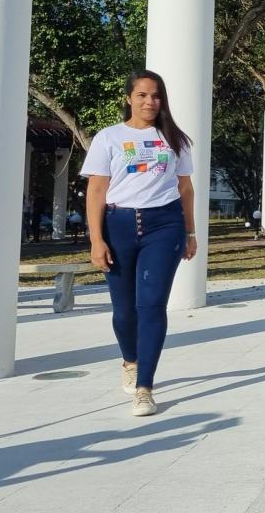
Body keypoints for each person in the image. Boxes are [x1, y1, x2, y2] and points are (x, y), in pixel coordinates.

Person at [81, 70, 197, 417]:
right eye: (143, 95)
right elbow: (97, 191)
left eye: (156, 96)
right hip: (118, 226)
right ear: (129, 98)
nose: (150, 102)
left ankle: (145, 387)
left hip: (165, 226)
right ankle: (130, 360)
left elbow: (185, 189)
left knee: (152, 305)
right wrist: (96, 239)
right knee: (124, 310)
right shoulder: (109, 138)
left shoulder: (175, 139)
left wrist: (190, 233)